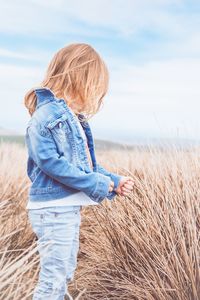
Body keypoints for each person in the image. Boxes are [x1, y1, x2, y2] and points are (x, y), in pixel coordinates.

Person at [24, 43, 134, 300]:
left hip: (64, 209)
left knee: (65, 272)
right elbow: (52, 164)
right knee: (53, 279)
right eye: (94, 87)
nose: (96, 96)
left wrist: (113, 181)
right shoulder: (49, 115)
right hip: (52, 211)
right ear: (78, 78)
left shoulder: (74, 118)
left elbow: (85, 167)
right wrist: (94, 183)